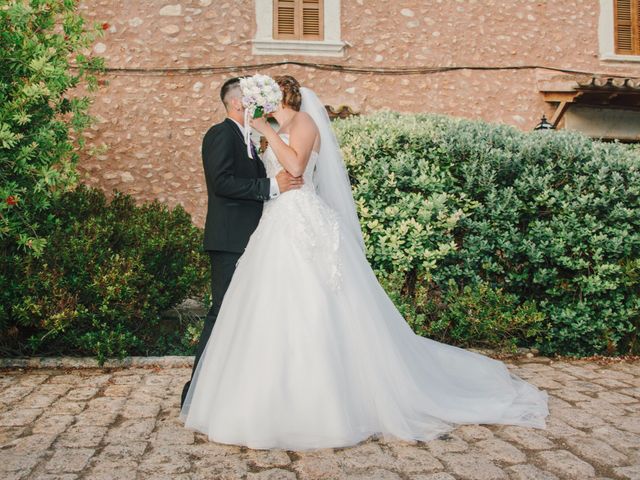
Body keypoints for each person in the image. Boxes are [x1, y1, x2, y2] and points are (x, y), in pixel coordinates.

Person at [180, 75, 549, 450]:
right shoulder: (259, 131)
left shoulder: (302, 124)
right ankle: (259, 396)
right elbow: (256, 177)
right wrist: (267, 148)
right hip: (275, 222)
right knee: (270, 309)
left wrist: (264, 132)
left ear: (282, 97)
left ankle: (321, 404)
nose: (261, 106)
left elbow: (293, 168)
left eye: (267, 98)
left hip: (301, 218)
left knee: (315, 304)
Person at [180, 77, 303, 408]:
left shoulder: (248, 140)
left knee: (242, 317)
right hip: (230, 241)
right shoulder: (220, 134)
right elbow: (221, 183)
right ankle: (196, 392)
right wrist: (269, 186)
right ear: (237, 104)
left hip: (253, 241)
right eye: (253, 100)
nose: (260, 106)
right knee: (221, 313)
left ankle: (228, 391)